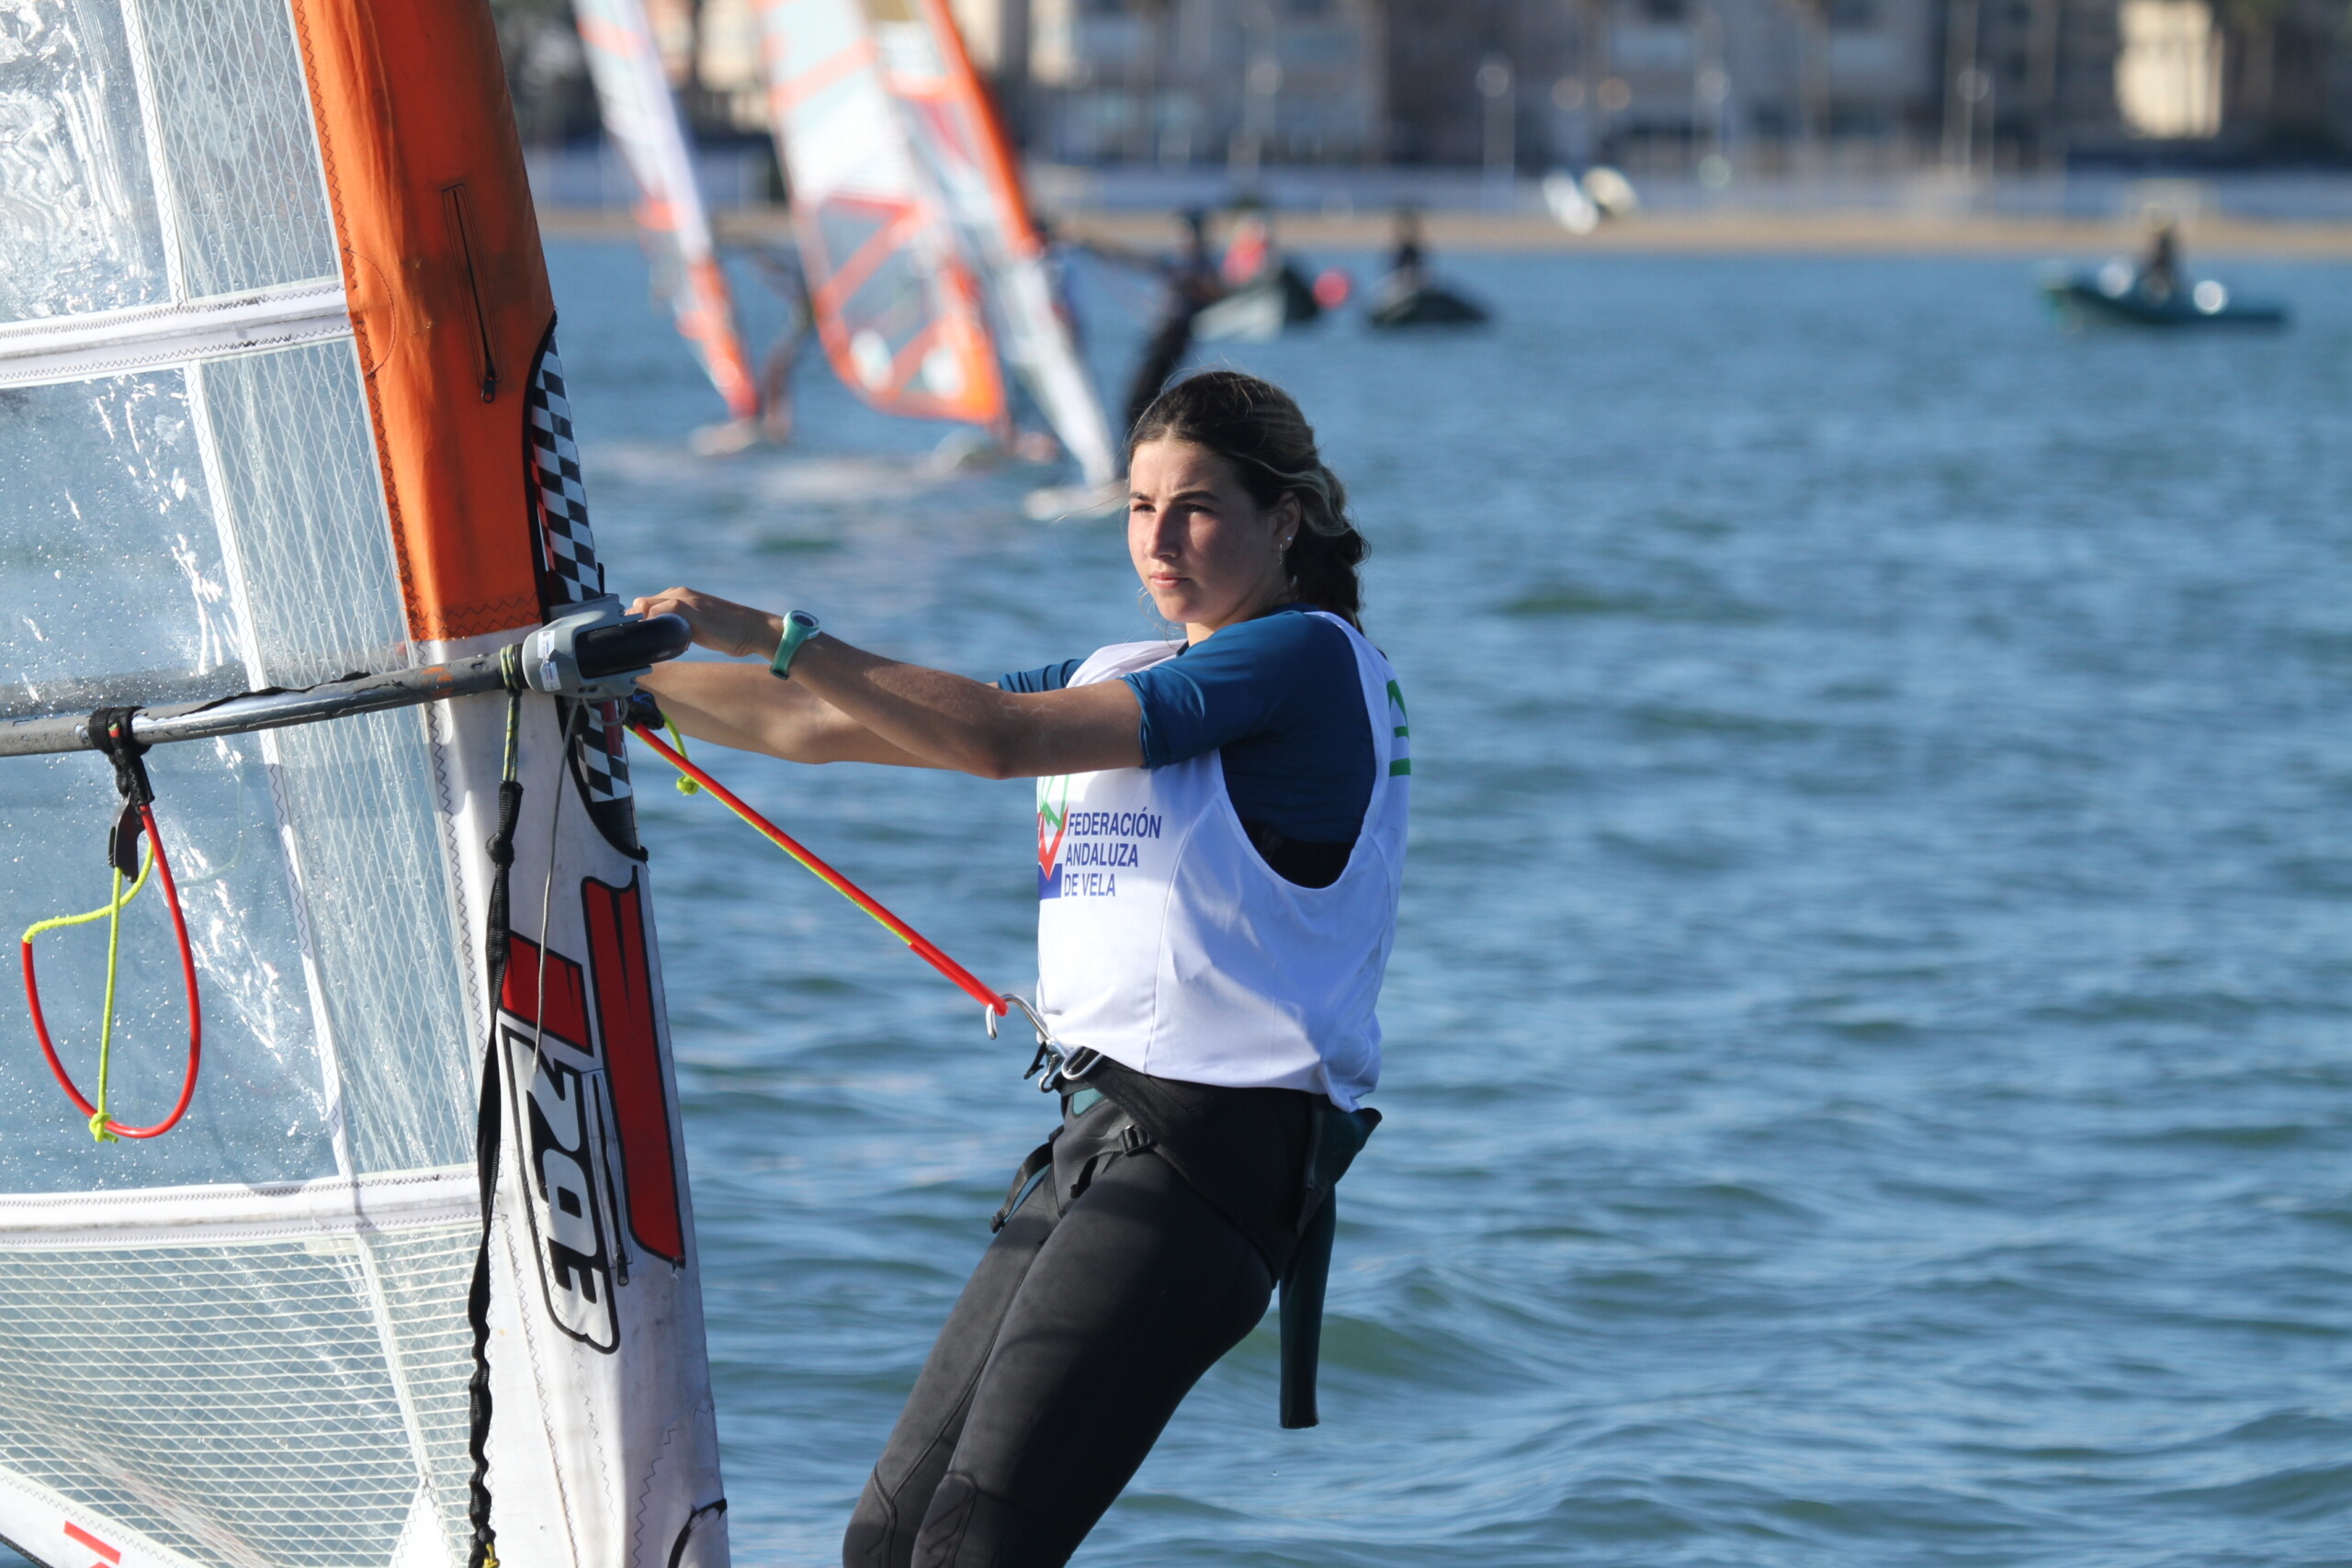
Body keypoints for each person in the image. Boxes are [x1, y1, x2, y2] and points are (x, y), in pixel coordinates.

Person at [630, 369, 1408, 1568]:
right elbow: (826, 723)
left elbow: (995, 740)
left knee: (969, 1548)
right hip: (1108, 1136)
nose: (1159, 539)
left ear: (1284, 519)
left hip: (1218, 1157)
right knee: (887, 1538)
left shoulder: (1301, 661)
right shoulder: (1126, 666)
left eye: (1197, 507)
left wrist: (777, 634)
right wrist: (619, 683)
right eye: (1139, 506)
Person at [1118, 209, 1224, 439]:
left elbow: (1214, 293)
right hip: (1162, 337)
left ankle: (1142, 448)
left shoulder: (1201, 264)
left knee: (1140, 402)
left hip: (1174, 337)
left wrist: (1186, 282)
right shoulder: (1180, 262)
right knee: (1136, 401)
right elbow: (1141, 261)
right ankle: (1135, 448)